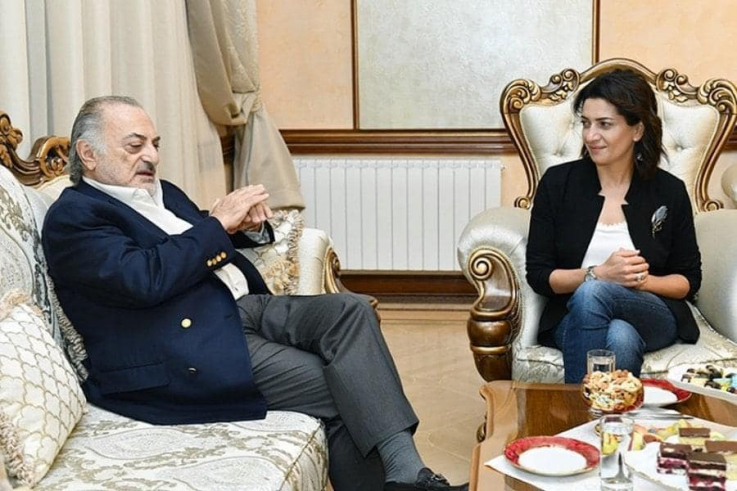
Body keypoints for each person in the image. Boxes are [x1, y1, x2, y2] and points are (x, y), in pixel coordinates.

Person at [42, 96, 468, 491]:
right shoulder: (75, 217)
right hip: (183, 349)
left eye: (155, 144)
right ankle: (409, 478)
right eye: (135, 146)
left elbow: (194, 236)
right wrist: (216, 225)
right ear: (89, 154)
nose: (151, 156)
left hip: (239, 309)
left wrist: (245, 226)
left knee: (351, 309)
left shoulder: (162, 192)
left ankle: (406, 475)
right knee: (341, 382)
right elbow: (143, 277)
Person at [525, 69, 702, 384]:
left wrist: (637, 281)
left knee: (594, 292)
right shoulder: (557, 184)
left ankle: (576, 411)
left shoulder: (668, 191)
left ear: (637, 130)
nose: (590, 136)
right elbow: (539, 275)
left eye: (604, 124)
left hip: (653, 312)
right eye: (586, 123)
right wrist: (599, 274)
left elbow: (688, 280)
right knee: (620, 337)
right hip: (571, 315)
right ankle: (612, 413)